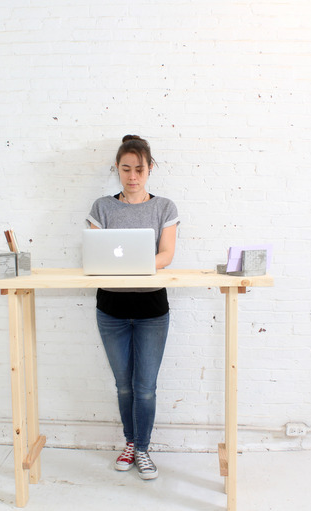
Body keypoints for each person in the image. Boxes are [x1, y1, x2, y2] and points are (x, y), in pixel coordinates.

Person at [86, 135, 179, 480]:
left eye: (139, 169)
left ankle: (142, 449)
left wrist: (125, 266)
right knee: (123, 385)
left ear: (150, 168)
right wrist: (133, 265)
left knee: (145, 387)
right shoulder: (102, 207)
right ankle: (130, 443)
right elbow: (94, 255)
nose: (133, 176)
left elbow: (166, 256)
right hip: (111, 308)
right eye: (126, 169)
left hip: (152, 308)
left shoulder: (164, 207)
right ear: (117, 169)